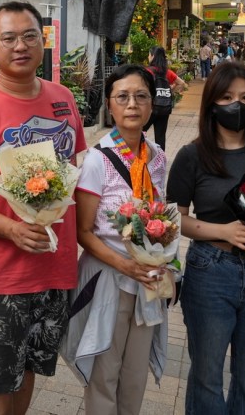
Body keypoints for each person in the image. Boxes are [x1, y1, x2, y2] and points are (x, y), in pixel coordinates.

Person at [0, 1, 86, 415]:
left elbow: (76, 172)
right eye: (8, 38)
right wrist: (10, 229)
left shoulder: (63, 99)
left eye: (29, 36)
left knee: (28, 373)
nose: (20, 45)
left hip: (55, 268)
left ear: (44, 42)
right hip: (0, 276)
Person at [167, 62, 245, 415]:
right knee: (207, 378)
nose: (236, 105)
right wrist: (223, 231)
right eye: (226, 97)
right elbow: (175, 218)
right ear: (211, 103)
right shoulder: (192, 155)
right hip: (210, 272)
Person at [61, 64, 170, 414]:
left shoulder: (158, 158)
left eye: (141, 96)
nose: (132, 104)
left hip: (147, 282)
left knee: (135, 374)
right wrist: (125, 263)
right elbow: (83, 232)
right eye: (122, 97)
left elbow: (161, 217)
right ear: (110, 105)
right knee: (105, 375)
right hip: (108, 278)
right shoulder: (96, 160)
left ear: (152, 105)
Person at [145, 46, 186, 151]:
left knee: (140, 133)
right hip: (164, 108)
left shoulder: (148, 71)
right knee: (160, 137)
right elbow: (182, 83)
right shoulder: (167, 72)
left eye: (149, 55)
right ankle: (160, 161)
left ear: (153, 56)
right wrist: (169, 91)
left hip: (150, 108)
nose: (148, 57)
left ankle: (139, 157)